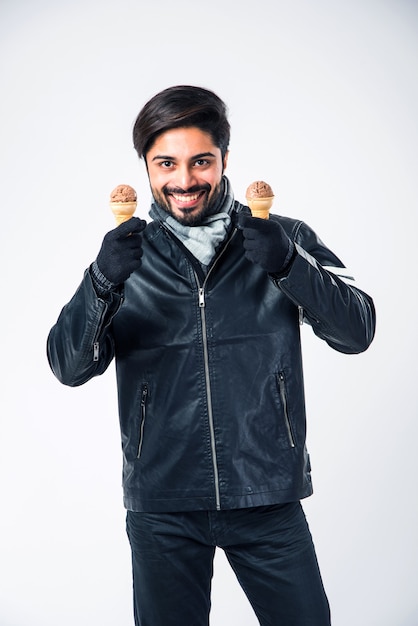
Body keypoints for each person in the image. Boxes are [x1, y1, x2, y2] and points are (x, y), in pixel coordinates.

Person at [47, 85, 376, 625]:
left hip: (266, 496)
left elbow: (357, 328)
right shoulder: (125, 258)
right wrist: (101, 281)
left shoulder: (280, 236)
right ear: (146, 168)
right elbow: (67, 365)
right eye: (166, 164)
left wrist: (289, 263)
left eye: (201, 161)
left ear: (225, 159)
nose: (184, 181)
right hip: (163, 506)